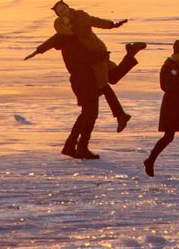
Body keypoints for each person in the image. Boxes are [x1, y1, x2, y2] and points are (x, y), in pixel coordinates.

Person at [26, 21, 145, 160]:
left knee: (89, 111)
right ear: (63, 29)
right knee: (91, 114)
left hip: (90, 77)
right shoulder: (70, 44)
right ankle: (82, 147)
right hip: (83, 82)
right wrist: (102, 55)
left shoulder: (74, 39)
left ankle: (70, 146)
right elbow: (85, 58)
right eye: (67, 25)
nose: (71, 26)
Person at [51, 0, 133, 131]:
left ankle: (121, 115)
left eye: (64, 8)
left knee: (109, 80)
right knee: (108, 82)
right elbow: (57, 38)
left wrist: (112, 25)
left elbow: (96, 21)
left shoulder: (81, 16)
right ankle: (121, 115)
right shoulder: (63, 28)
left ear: (68, 7)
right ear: (58, 15)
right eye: (60, 11)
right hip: (92, 60)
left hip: (97, 55)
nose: (63, 12)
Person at [144, 40, 179, 178]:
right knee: (168, 136)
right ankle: (150, 160)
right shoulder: (167, 66)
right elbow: (164, 86)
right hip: (171, 107)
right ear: (176, 53)